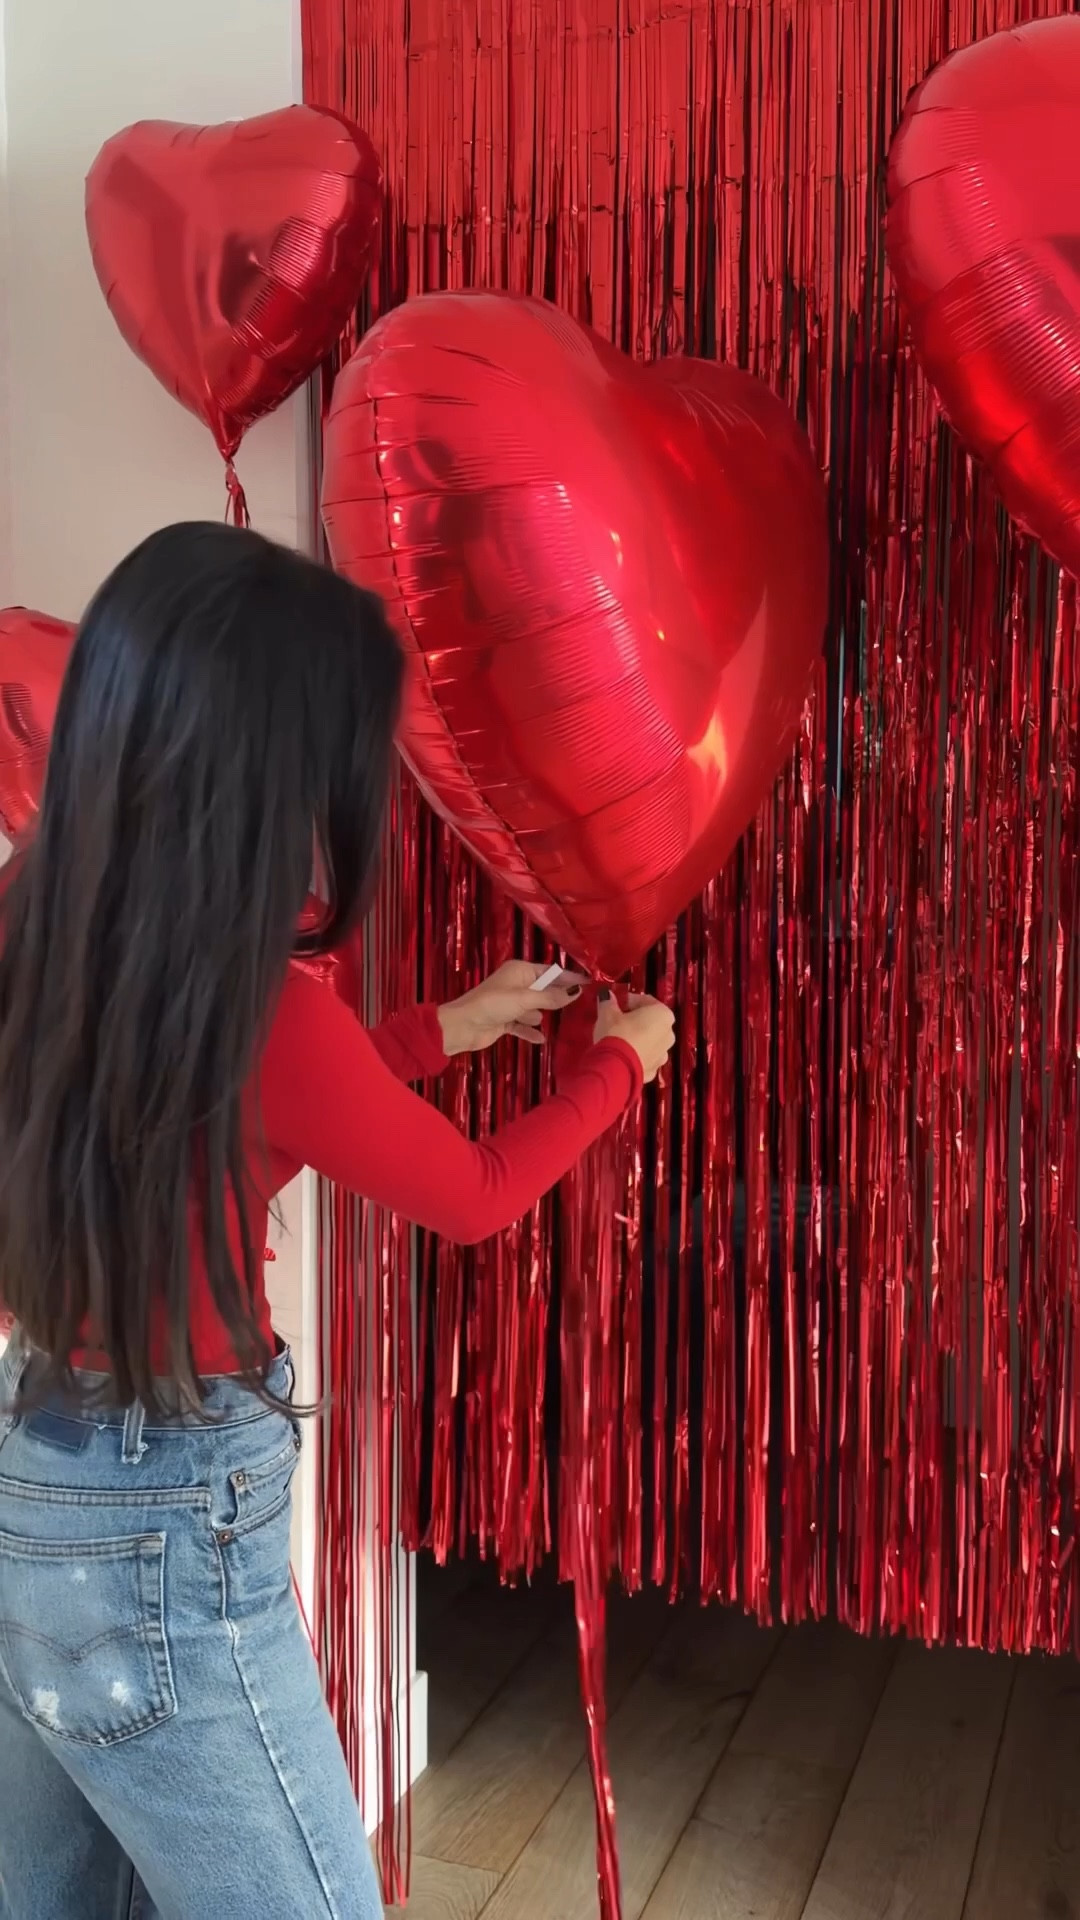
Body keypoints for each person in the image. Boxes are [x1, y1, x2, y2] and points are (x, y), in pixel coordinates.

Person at [0, 523, 676, 1920]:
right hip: (167, 1516)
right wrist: (620, 1070)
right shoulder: (270, 1008)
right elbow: (475, 1197)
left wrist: (447, 1025)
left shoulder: (36, 921)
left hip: (31, 1483)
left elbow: (217, 1126)